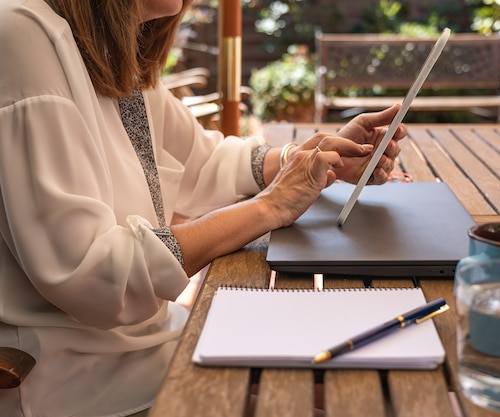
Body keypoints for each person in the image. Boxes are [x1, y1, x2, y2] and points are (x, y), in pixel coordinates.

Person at [0, 0, 406, 416]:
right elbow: (96, 274)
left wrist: (310, 159)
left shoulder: (109, 47)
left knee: (354, 374)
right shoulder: (24, 35)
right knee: (344, 395)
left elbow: (202, 162)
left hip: (147, 344)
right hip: (73, 379)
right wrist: (271, 207)